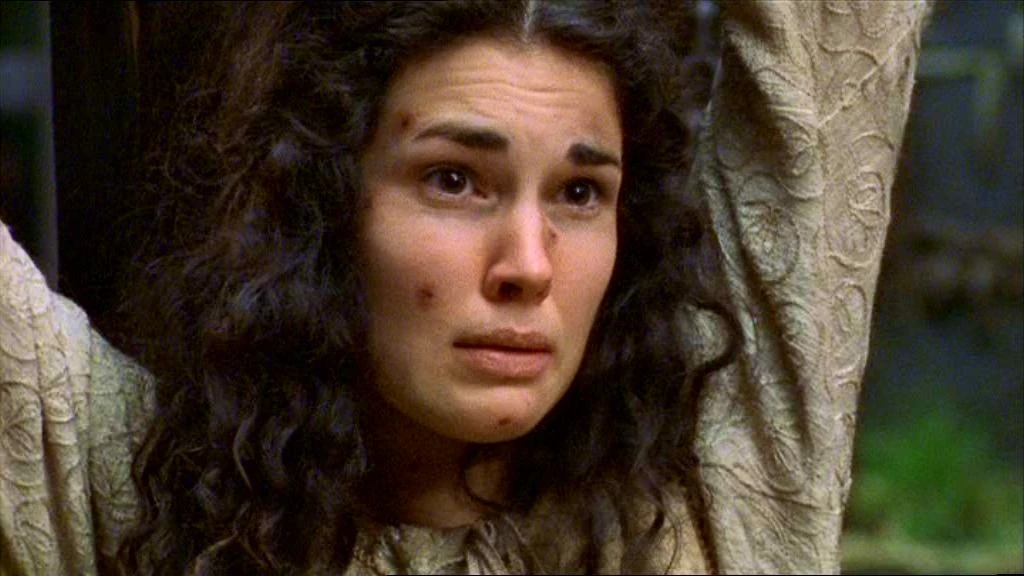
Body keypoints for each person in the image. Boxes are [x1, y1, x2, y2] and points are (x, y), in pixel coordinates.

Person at [0, 1, 931, 574]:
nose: (528, 264)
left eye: (580, 193)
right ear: (321, 204)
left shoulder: (713, 499)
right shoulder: (135, 488)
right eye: (454, 180)